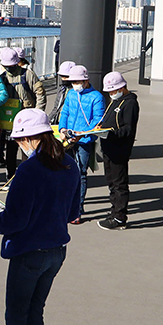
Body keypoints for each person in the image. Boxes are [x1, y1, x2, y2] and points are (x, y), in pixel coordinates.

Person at [0, 108, 80, 325]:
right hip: (56, 251)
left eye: (18, 140)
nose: (17, 144)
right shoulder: (70, 164)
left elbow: (13, 222)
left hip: (28, 253)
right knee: (35, 315)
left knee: (15, 318)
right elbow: (74, 212)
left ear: (28, 138)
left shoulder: (28, 170)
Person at [58, 65, 105, 223]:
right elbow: (65, 112)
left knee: (80, 174)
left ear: (86, 81)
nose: (75, 84)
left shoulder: (96, 97)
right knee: (65, 173)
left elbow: (97, 120)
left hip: (84, 141)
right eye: (73, 82)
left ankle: (77, 210)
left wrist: (80, 135)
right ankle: (66, 205)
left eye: (78, 81)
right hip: (68, 138)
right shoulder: (71, 94)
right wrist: (62, 128)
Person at [96, 72, 140, 231]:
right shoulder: (115, 101)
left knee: (119, 184)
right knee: (112, 183)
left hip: (119, 150)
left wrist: (110, 133)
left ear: (121, 88)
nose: (111, 94)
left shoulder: (130, 104)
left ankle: (120, 216)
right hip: (108, 148)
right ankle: (114, 211)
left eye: (112, 91)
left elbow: (128, 129)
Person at [0, 47, 47, 180]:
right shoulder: (1, 78)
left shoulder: (28, 75)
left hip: (28, 118)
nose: (9, 69)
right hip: (9, 121)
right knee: (11, 150)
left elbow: (40, 93)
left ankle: (28, 176)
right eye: (6, 66)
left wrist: (38, 112)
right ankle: (11, 176)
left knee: (28, 149)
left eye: (11, 66)